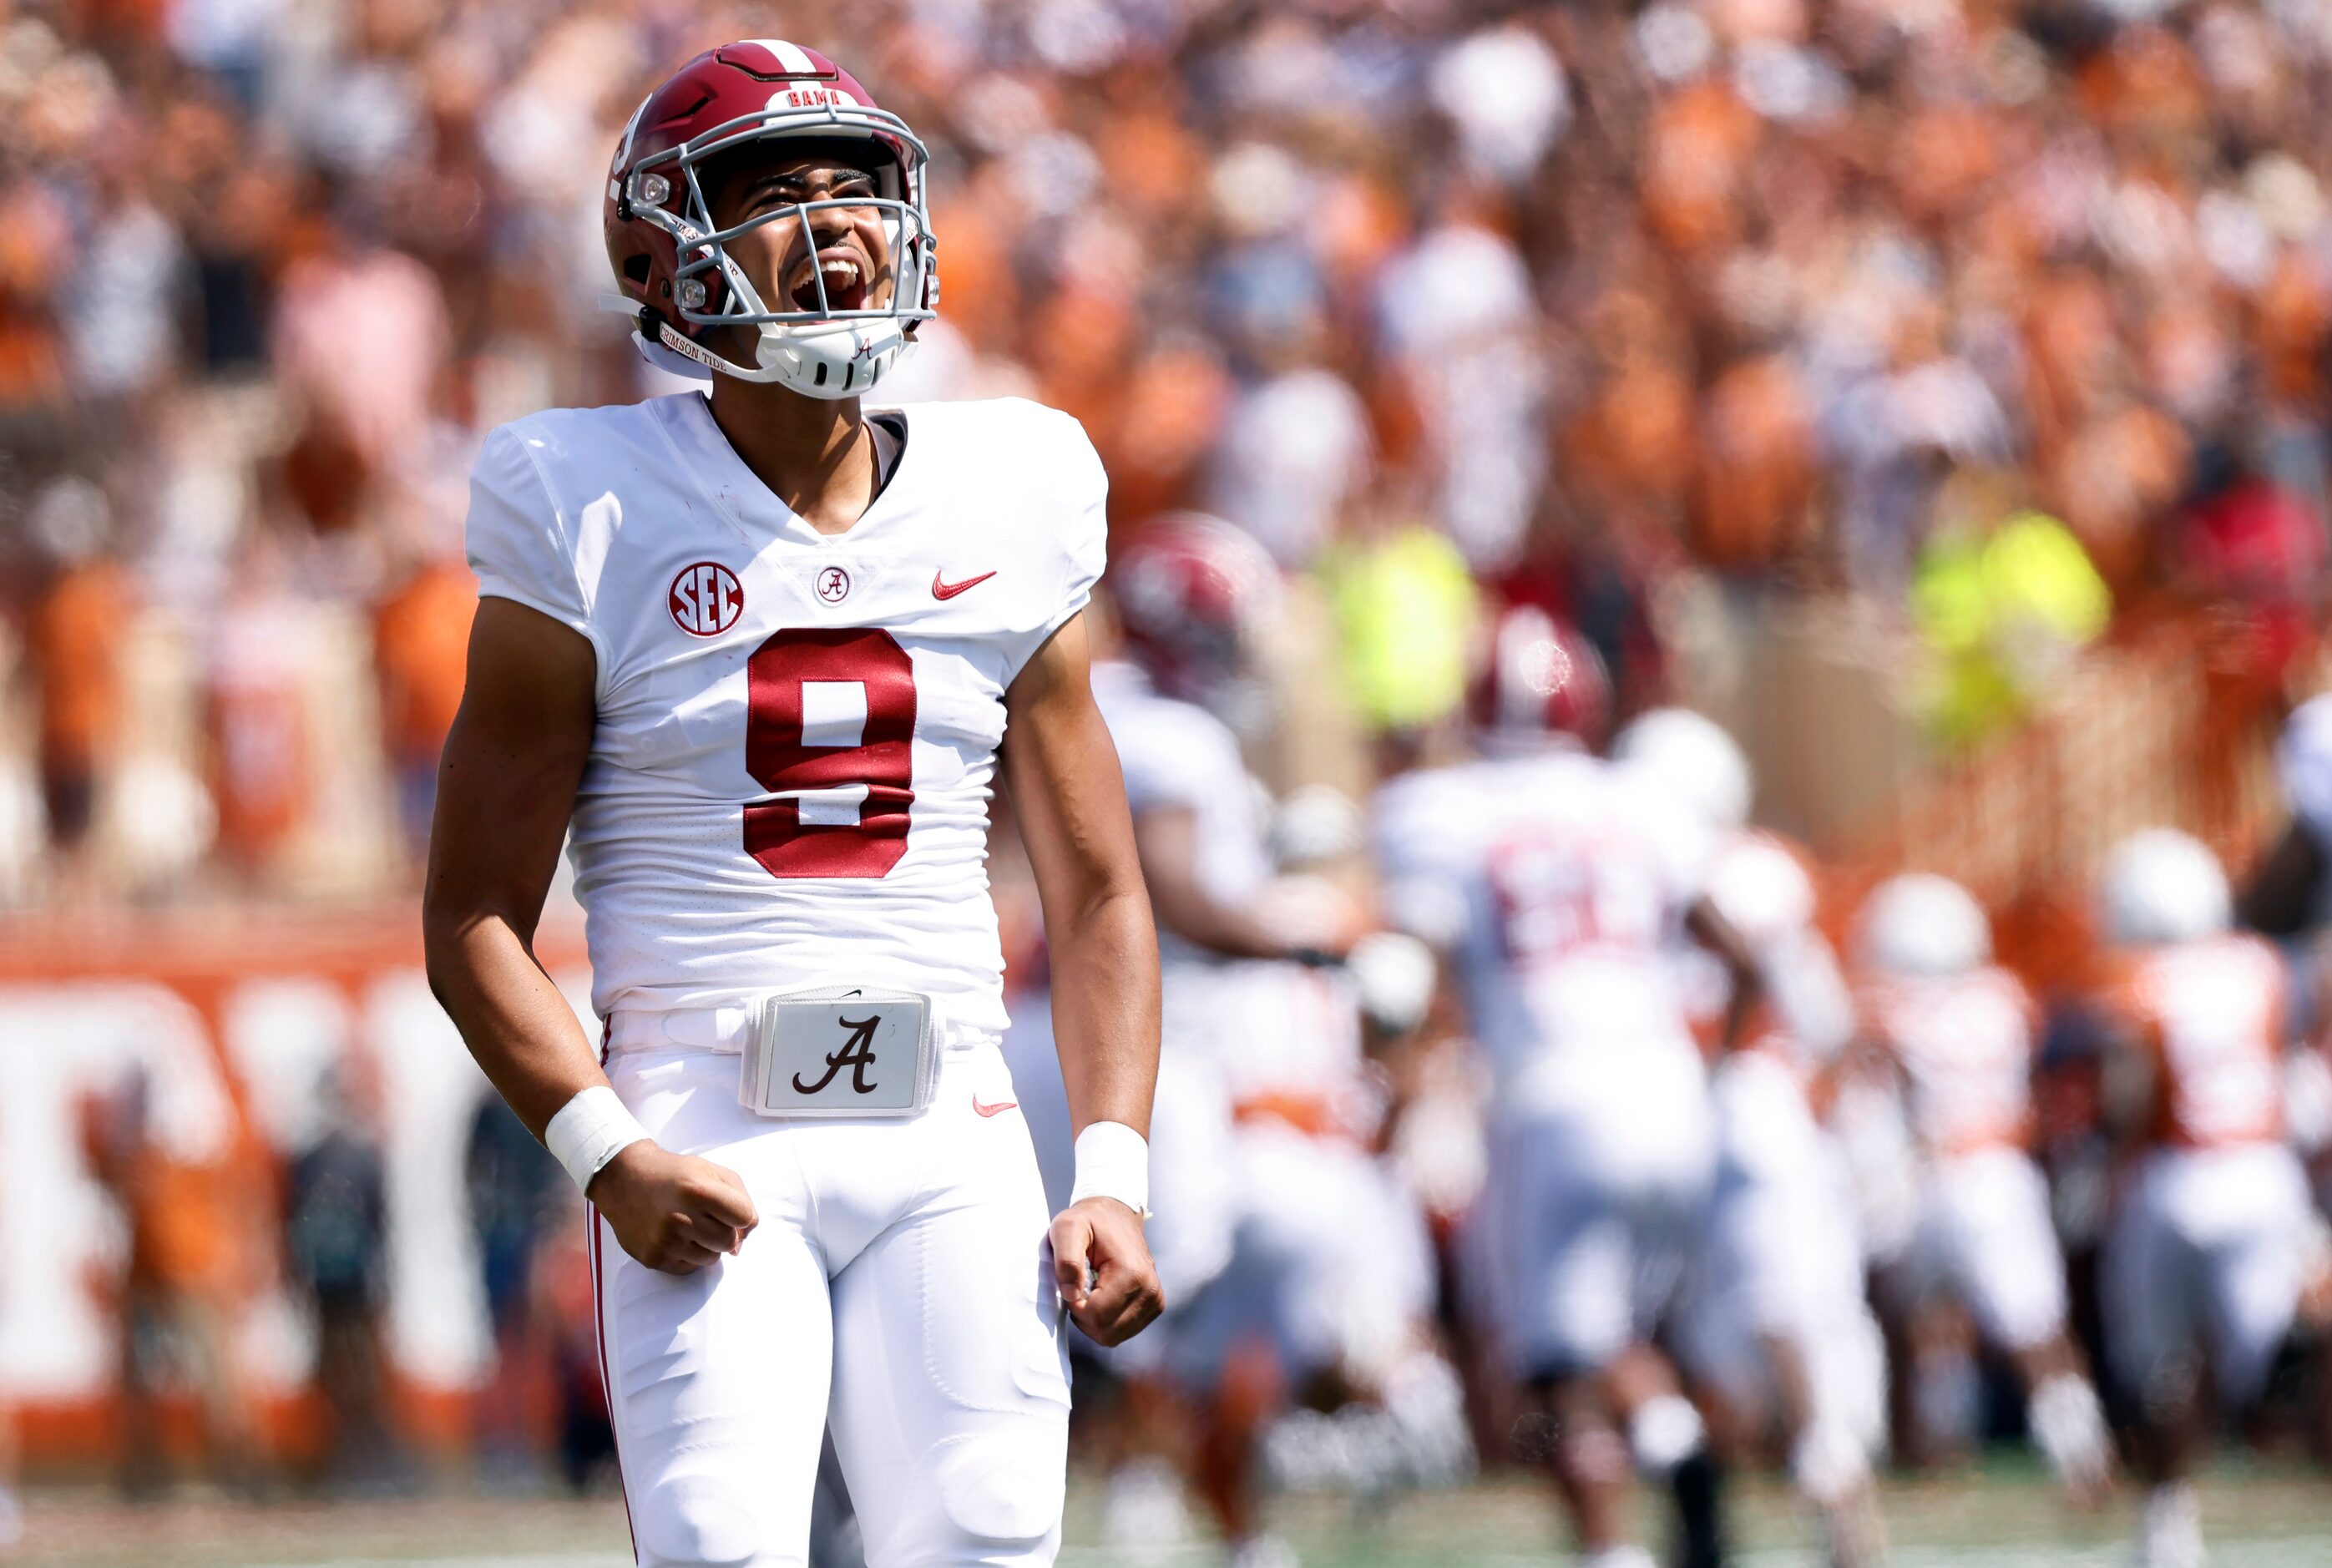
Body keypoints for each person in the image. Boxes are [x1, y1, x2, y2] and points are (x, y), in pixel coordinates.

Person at [422, 42, 1164, 1568]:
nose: (829, 222)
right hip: (702, 1124)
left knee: (984, 1537)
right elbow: (473, 911)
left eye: (855, 186)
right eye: (769, 190)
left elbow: (1096, 889)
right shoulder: (583, 497)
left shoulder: (1017, 480)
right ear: (658, 249)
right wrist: (602, 1148)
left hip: (952, 1115)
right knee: (722, 1551)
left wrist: (1108, 1170)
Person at [1372, 609, 1757, 1568]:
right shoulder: (1642, 800)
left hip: (1551, 1098)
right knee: (1619, 1330)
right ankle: (1676, 1441)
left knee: (1557, 1362)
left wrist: (1390, 1062)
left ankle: (1610, 1548)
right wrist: (1713, 1080)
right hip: (1668, 1088)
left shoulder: (1440, 810)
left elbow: (1406, 980)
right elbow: (1745, 959)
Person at [1616, 710, 1887, 1568]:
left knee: (1690, 1326)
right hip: (1761, 1112)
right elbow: (1826, 1023)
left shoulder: (1653, 864)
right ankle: (1827, 1511)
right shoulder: (1763, 871)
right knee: (1780, 1322)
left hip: (1696, 1106)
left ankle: (1719, 1512)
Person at [2092, 831, 2320, 1568]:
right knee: (2286, 1347)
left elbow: (2130, 1099)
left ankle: (2167, 1520)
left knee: (2163, 1366)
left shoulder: (2140, 979)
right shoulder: (2261, 965)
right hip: (2261, 1171)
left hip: (2172, 1175)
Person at [1852, 873, 2112, 1504]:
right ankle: (2079, 1451)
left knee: (1908, 1318)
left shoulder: (1885, 1008)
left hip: (1932, 1173)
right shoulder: (2006, 997)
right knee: (2037, 1328)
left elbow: (1875, 1101)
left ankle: (1923, 1450)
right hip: (2001, 1168)